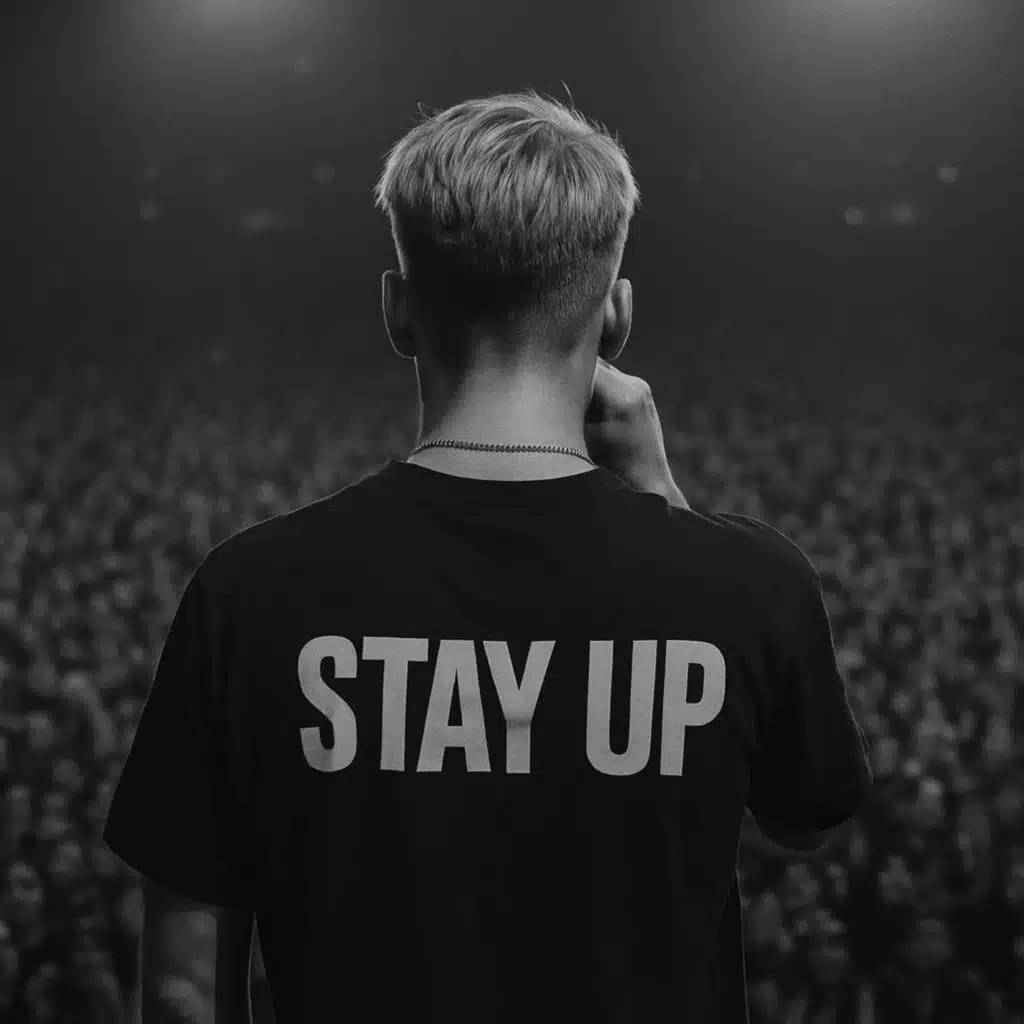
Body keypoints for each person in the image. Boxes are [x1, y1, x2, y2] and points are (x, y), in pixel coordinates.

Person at [101, 88, 874, 1023]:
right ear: (616, 315)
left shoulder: (247, 591)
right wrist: (662, 497)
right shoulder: (753, 583)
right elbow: (805, 817)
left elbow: (185, 992)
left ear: (397, 310)